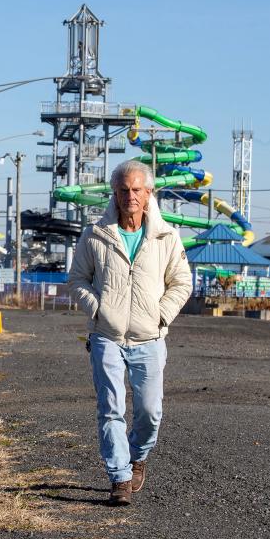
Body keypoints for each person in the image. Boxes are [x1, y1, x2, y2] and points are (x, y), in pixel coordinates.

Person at [69, 160, 192, 505]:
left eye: (137, 190)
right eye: (123, 190)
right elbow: (77, 279)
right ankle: (120, 477)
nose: (130, 196)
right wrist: (97, 309)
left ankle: (138, 456)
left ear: (149, 193)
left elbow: (182, 282)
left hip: (149, 338)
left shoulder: (166, 237)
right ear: (114, 193)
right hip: (107, 335)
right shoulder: (95, 234)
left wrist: (161, 316)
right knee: (110, 407)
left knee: (150, 411)